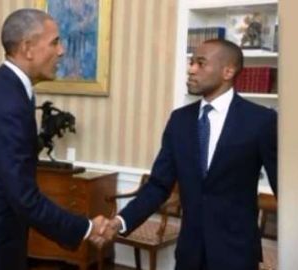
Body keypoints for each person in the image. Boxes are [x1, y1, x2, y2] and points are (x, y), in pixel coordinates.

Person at [0, 9, 107, 270]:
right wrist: (86, 228)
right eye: (55, 42)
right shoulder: (9, 103)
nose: (61, 51)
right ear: (27, 48)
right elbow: (24, 198)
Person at [103, 39, 277, 270]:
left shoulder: (261, 121)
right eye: (191, 62)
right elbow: (158, 185)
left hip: (237, 255)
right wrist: (120, 222)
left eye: (201, 63)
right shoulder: (179, 120)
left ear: (228, 71)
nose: (191, 69)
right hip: (189, 254)